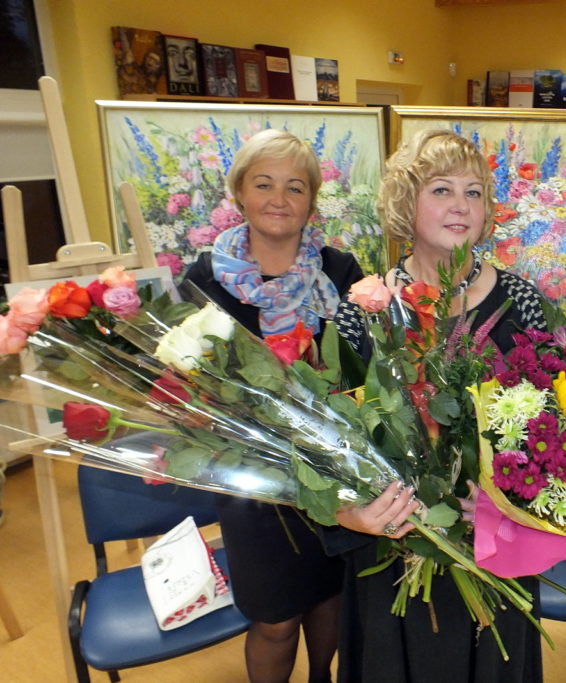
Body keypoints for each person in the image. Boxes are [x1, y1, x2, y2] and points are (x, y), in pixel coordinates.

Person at [326, 129, 547, 683]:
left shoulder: (521, 301)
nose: (461, 205)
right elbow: (327, 437)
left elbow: (554, 430)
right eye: (442, 189)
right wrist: (351, 513)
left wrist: (509, 503)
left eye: (474, 193)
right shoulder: (363, 310)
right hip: (393, 547)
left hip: (496, 545)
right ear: (406, 201)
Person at [184, 128, 363, 683]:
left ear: (311, 200)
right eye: (263, 184)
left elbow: (365, 372)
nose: (279, 199)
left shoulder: (342, 273)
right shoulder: (205, 280)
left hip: (334, 469)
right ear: (239, 192)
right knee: (275, 620)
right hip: (252, 479)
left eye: (295, 186)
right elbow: (189, 381)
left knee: (329, 599)